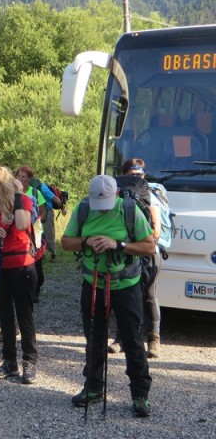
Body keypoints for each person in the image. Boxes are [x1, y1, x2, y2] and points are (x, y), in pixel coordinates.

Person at [62, 174, 155, 417]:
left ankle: (140, 395)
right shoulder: (83, 208)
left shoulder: (129, 209)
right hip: (93, 283)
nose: (101, 210)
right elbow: (65, 242)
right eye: (97, 204)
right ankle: (93, 388)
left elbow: (149, 246)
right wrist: (86, 241)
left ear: (115, 195)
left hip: (126, 285)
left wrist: (119, 245)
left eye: (106, 204)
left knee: (133, 341)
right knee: (94, 339)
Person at [0, 165, 39, 385]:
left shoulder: (22, 200)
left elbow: (24, 224)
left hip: (22, 264)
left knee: (24, 315)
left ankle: (29, 361)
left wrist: (18, 194)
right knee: (5, 315)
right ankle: (9, 362)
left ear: (0, 186)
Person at [109, 158, 163, 358]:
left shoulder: (150, 194)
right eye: (131, 174)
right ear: (123, 175)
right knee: (124, 295)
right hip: (126, 251)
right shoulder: (117, 196)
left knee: (148, 295)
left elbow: (156, 227)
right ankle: (120, 338)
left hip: (147, 252)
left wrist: (145, 243)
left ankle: (154, 340)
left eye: (139, 174)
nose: (136, 178)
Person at [15, 165, 47, 302]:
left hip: (36, 230)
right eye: (19, 176)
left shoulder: (35, 193)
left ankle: (36, 288)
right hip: (20, 231)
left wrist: (37, 219)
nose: (21, 179)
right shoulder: (13, 193)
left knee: (37, 261)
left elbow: (43, 212)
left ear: (29, 178)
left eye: (24, 177)